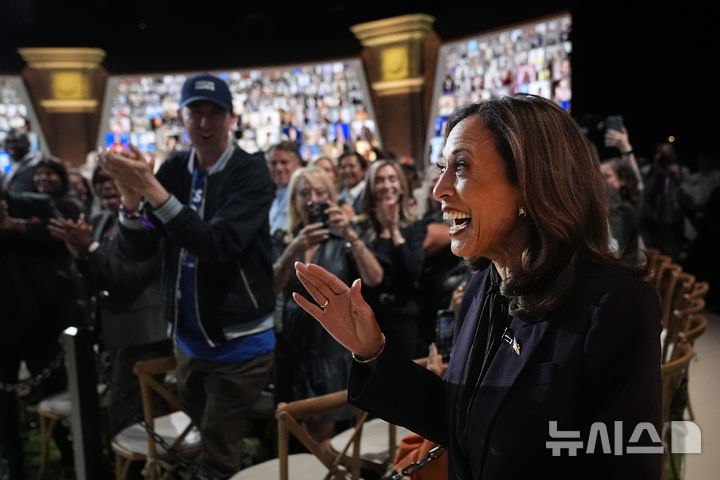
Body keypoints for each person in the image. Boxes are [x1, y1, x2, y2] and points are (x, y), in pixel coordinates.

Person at [292, 94, 662, 479]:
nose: (439, 190)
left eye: (461, 167)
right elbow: (459, 418)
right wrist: (371, 351)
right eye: (442, 168)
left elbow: (627, 464)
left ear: (530, 182)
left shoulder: (616, 306)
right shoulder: (482, 287)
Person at [98, 72, 276, 479]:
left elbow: (218, 244)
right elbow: (139, 249)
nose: (206, 123)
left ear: (231, 119)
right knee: (209, 437)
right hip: (188, 340)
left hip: (240, 342)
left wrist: (151, 189)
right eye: (197, 112)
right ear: (182, 117)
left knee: (216, 451)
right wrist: (129, 200)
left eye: (216, 113)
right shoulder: (176, 167)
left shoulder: (250, 173)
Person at [48, 166, 172, 442]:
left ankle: (147, 468)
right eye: (99, 181)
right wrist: (79, 254)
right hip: (111, 330)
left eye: (111, 179)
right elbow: (95, 278)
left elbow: (131, 278)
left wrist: (90, 248)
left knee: (130, 414)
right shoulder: (101, 219)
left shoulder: (150, 223)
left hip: (143, 335)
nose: (105, 186)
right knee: (125, 412)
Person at [271, 166, 382, 445]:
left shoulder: (343, 239)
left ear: (331, 198)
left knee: (328, 438)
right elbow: (272, 287)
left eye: (320, 192)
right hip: (294, 353)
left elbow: (374, 277)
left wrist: (347, 230)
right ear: (294, 200)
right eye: (304, 193)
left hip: (332, 352)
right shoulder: (285, 239)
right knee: (299, 432)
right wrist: (292, 249)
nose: (312, 199)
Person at [351, 159, 426, 359]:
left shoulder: (414, 228)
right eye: (380, 180)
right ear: (371, 188)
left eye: (392, 179)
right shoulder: (359, 229)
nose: (387, 185)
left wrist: (394, 230)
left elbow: (411, 274)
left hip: (404, 321)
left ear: (401, 186)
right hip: (370, 321)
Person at [266, 141, 303, 237]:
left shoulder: (303, 196)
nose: (278, 168)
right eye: (273, 163)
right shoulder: (273, 198)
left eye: (284, 162)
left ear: (298, 165)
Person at [0, 128, 44, 194]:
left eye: (15, 142)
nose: (11, 146)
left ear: (28, 143)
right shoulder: (17, 163)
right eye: (7, 142)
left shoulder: (35, 164)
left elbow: (18, 192)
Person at [337, 150, 368, 215]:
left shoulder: (369, 194)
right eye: (343, 167)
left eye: (351, 166)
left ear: (363, 171)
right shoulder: (339, 198)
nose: (347, 171)